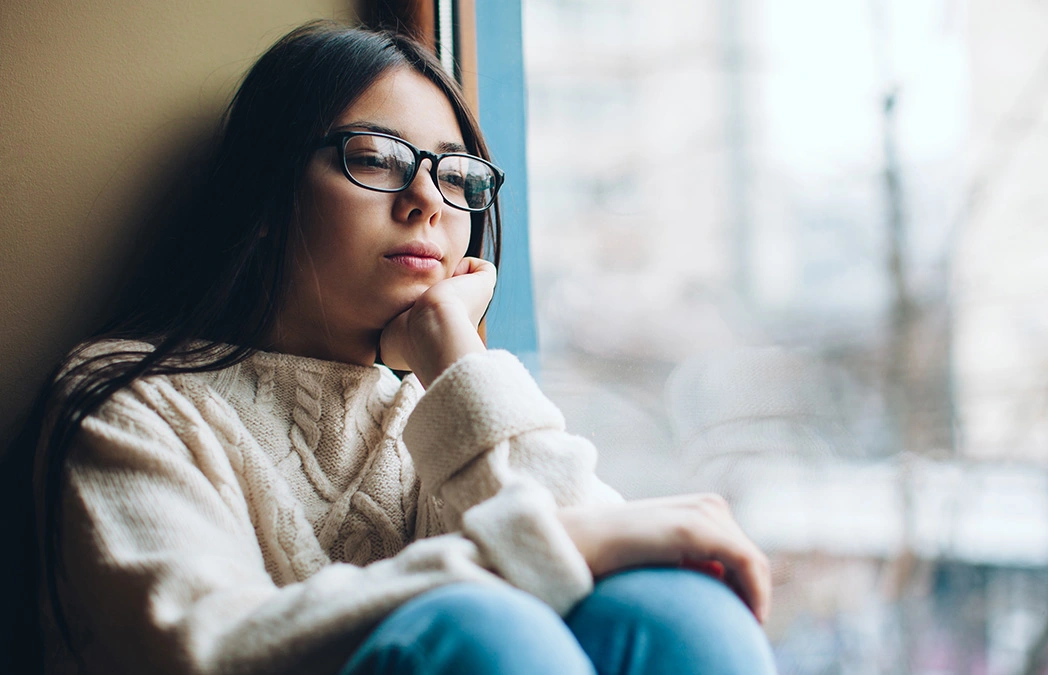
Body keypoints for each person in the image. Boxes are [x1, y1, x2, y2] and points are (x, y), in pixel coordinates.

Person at [3, 21, 776, 675]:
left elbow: (591, 559)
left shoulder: (437, 408)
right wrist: (537, 547)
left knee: (676, 608)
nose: (427, 200)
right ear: (269, 192)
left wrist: (455, 360)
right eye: (375, 157)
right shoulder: (127, 400)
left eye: (454, 174)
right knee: (482, 630)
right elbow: (204, 646)